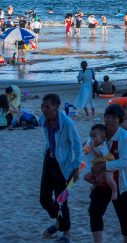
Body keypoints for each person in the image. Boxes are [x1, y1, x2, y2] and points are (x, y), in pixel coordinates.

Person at [89, 104, 127, 243]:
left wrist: (104, 165)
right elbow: (90, 152)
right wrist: (96, 167)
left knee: (123, 215)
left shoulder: (125, 137)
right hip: (102, 181)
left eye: (114, 117)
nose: (109, 120)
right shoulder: (99, 132)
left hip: (122, 181)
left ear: (119, 120)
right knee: (94, 211)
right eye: (107, 116)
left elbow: (125, 161)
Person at [39, 93, 82, 243]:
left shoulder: (67, 124)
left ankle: (66, 233)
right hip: (49, 160)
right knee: (44, 199)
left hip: (63, 164)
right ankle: (58, 221)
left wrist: (76, 168)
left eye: (48, 107)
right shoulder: (43, 119)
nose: (44, 110)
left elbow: (77, 145)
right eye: (43, 106)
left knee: (61, 199)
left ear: (57, 107)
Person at [83, 124, 118, 201]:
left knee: (109, 179)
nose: (91, 138)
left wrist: (92, 147)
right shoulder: (93, 143)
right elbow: (86, 152)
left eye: (94, 136)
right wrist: (85, 147)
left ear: (102, 137)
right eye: (90, 136)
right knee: (86, 177)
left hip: (106, 164)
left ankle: (114, 190)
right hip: (96, 165)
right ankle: (96, 184)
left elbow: (99, 155)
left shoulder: (103, 145)